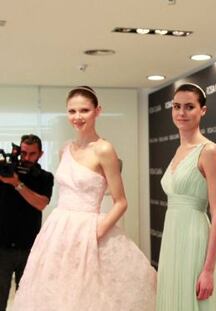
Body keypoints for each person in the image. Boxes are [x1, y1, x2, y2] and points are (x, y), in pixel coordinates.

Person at [12, 86, 156, 311]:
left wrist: (96, 231)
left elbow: (121, 201)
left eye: (84, 110)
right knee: (54, 294)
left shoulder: (104, 149)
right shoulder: (64, 150)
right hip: (58, 230)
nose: (77, 117)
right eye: (72, 111)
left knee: (89, 296)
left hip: (89, 228)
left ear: (97, 111)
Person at [157, 83, 216, 311]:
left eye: (189, 107)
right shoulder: (178, 150)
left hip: (195, 239)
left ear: (202, 110)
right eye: (176, 106)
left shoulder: (209, 151)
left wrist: (208, 270)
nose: (181, 113)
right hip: (172, 240)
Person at [0, 134, 53, 311]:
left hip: (29, 247)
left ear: (41, 154)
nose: (27, 158)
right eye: (23, 153)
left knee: (28, 301)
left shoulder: (44, 177)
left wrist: (17, 184)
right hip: (2, 246)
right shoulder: (4, 172)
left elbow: (41, 204)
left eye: (32, 154)